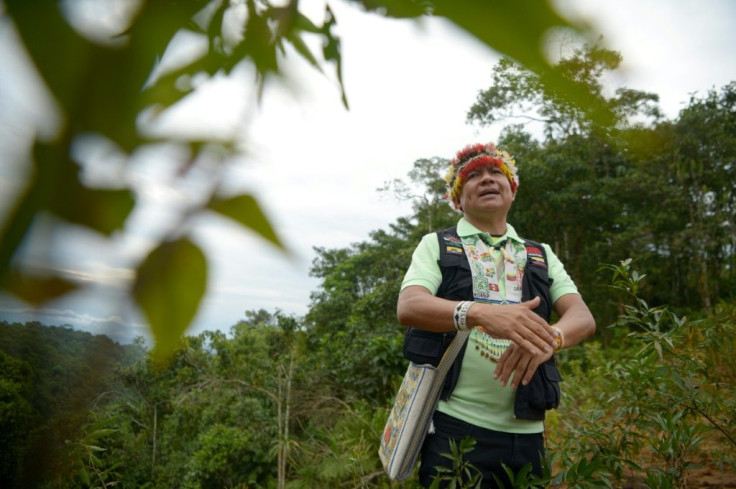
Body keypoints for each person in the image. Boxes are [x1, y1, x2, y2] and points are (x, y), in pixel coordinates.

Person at [397, 142, 596, 488]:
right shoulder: (438, 245)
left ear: (512, 191)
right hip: (454, 429)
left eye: (495, 173)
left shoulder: (540, 254)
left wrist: (551, 338)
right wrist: (479, 313)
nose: (486, 179)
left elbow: (582, 317)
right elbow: (410, 306)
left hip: (528, 435)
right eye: (473, 176)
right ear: (457, 200)